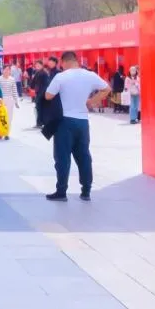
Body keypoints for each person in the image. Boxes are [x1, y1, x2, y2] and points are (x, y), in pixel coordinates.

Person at [44, 50, 110, 202]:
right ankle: (86, 191)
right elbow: (107, 89)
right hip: (83, 121)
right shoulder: (90, 75)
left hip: (65, 121)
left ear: (64, 62)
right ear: (76, 60)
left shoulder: (61, 77)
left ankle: (61, 192)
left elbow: (48, 95)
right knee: (84, 156)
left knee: (62, 157)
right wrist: (91, 101)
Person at [0, 65, 21, 140]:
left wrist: (16, 102)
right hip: (1, 100)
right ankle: (0, 132)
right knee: (1, 117)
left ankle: (7, 133)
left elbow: (14, 90)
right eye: (5, 69)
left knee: (9, 117)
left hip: (10, 100)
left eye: (8, 70)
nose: (7, 71)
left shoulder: (12, 79)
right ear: (2, 70)